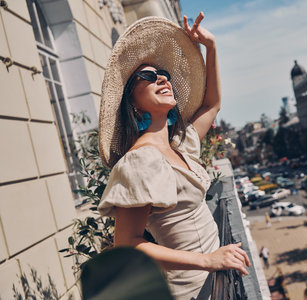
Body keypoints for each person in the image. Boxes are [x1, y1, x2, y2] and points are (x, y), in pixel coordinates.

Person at [97, 13, 250, 299]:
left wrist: (211, 46)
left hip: (218, 280)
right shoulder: (140, 161)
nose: (162, 79)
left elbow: (213, 104)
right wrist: (208, 260)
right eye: (148, 76)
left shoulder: (180, 145)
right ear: (132, 102)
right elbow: (127, 244)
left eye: (164, 74)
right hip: (193, 291)